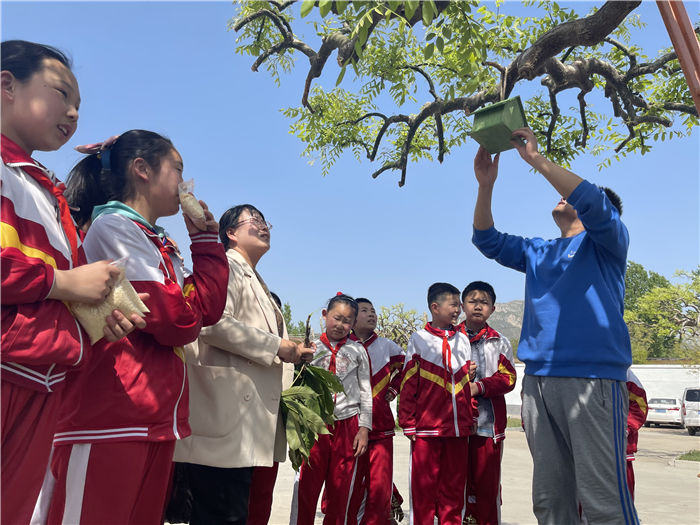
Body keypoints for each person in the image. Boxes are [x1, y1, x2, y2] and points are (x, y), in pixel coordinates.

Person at [44, 129, 228, 524]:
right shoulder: (114, 227)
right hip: (109, 416)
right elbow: (176, 319)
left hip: (152, 417)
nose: (183, 183)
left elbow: (205, 311)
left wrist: (207, 242)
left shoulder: (160, 242)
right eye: (177, 169)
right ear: (142, 169)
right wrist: (184, 310)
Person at [0, 40, 146, 524]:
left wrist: (102, 317)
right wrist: (63, 282)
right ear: (6, 85)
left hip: (43, 378)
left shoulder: (45, 189)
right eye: (62, 93)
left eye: (79, 103)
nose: (74, 111)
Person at [471, 127, 639, 524]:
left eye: (575, 195)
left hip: (592, 380)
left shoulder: (608, 243)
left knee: (603, 503)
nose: (562, 195)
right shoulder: (538, 251)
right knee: (549, 500)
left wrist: (537, 160)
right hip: (539, 384)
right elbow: (486, 240)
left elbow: (595, 203)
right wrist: (485, 185)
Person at [174, 204, 313, 525]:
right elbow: (210, 324)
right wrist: (278, 347)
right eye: (256, 221)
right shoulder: (226, 267)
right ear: (231, 233)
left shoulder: (251, 276)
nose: (264, 227)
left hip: (240, 426)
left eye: (266, 221)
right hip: (225, 423)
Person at [290, 294, 372, 525]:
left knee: (341, 490)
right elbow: (296, 384)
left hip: (348, 426)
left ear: (353, 324)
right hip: (315, 425)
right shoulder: (309, 349)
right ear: (325, 316)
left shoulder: (358, 351)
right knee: (306, 488)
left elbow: (366, 391)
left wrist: (364, 428)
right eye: (336, 318)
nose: (341, 325)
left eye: (347, 321)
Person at [398, 283, 476, 525]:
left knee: (453, 493)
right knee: (423, 492)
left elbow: (466, 384)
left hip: (457, 430)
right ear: (435, 307)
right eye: (453, 304)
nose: (458, 310)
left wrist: (470, 415)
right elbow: (408, 382)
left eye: (459, 305)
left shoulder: (463, 339)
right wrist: (408, 423)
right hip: (426, 430)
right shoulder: (419, 339)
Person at [457, 281, 517, 525]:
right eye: (473, 301)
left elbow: (509, 378)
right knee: (455, 486)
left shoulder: (499, 342)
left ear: (493, 309)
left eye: (484, 302)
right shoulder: (448, 339)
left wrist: (478, 387)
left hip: (488, 427)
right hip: (454, 427)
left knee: (487, 488)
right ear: (462, 306)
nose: (478, 307)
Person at [350, 297, 404, 525]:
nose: (371, 314)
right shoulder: (343, 345)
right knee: (351, 483)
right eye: (364, 310)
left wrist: (392, 389)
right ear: (352, 317)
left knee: (379, 483)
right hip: (351, 424)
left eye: (373, 311)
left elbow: (407, 367)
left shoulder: (387, 346)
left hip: (381, 424)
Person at [625, 368, 648, 498]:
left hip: (618, 450)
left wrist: (626, 429)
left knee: (622, 496)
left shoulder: (623, 371)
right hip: (580, 447)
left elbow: (640, 404)